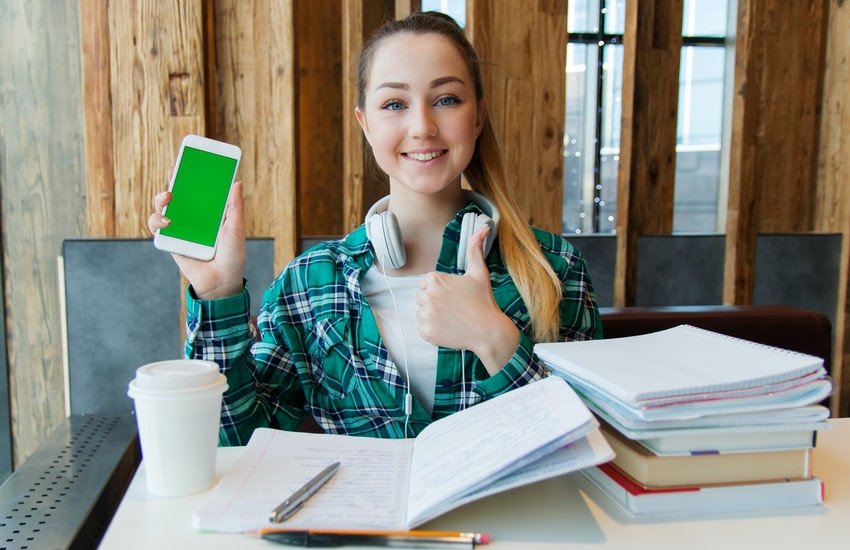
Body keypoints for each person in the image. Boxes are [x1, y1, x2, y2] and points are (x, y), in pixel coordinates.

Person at [148, 11, 601, 445]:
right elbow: (231, 441)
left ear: (478, 116)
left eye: (446, 99)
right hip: (362, 525)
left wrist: (493, 337)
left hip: (511, 525)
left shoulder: (555, 269)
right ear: (365, 123)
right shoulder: (311, 284)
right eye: (394, 104)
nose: (422, 126)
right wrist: (217, 292)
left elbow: (589, 451)